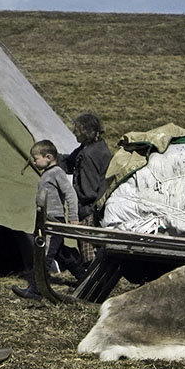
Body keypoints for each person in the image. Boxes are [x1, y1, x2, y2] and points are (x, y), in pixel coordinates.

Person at [13, 140, 84, 300]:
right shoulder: (47, 174)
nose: (34, 161)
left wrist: (73, 217)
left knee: (44, 255)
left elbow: (70, 194)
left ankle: (36, 290)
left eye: (36, 158)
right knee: (61, 254)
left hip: (54, 220)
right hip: (46, 220)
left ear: (48, 157)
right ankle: (84, 278)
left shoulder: (57, 172)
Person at [62, 112, 113, 267]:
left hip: (88, 209)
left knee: (88, 252)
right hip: (100, 205)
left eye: (77, 130)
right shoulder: (97, 147)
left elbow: (88, 189)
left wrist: (79, 203)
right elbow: (69, 163)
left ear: (85, 131)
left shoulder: (88, 155)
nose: (74, 132)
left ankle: (91, 283)